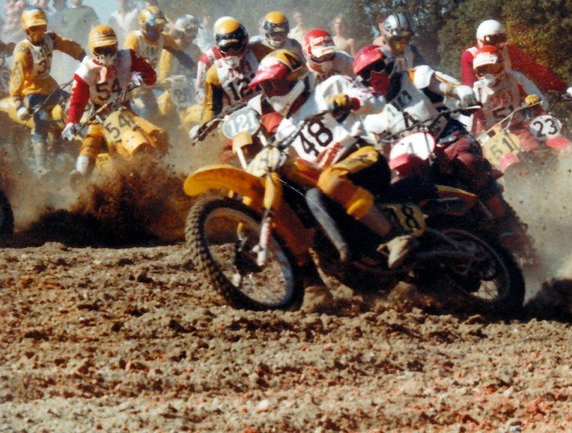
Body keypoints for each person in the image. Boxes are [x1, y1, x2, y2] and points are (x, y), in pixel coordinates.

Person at [245, 50, 417, 269]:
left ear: (292, 77)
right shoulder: (284, 130)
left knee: (330, 178)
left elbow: (377, 102)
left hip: (364, 158)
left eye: (272, 84)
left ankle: (394, 236)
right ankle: (329, 263)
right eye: (263, 87)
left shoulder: (331, 87)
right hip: (332, 184)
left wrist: (351, 101)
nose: (268, 93)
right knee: (307, 194)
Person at [355, 45, 525, 238]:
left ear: (389, 63)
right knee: (402, 196)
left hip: (447, 137)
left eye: (377, 67)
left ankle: (504, 221)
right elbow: (382, 151)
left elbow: (450, 87)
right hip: (415, 160)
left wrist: (464, 94)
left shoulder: (416, 77)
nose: (374, 75)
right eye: (365, 73)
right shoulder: (370, 117)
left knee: (467, 163)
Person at [61, 25, 158, 179]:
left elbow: (152, 75)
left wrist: (139, 75)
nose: (106, 53)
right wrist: (71, 122)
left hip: (125, 110)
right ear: (93, 49)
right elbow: (77, 101)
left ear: (116, 45)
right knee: (91, 143)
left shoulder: (128, 56)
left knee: (154, 134)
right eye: (101, 49)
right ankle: (80, 176)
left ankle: (157, 163)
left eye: (109, 47)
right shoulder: (85, 71)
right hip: (99, 115)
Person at [9, 6, 86, 173]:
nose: (38, 31)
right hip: (32, 92)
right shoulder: (23, 51)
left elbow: (67, 45)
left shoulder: (50, 38)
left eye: (41, 26)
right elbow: (17, 77)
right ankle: (41, 167)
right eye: (34, 28)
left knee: (75, 105)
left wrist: (83, 56)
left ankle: (74, 146)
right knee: (42, 120)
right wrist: (18, 103)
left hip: (51, 87)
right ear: (27, 29)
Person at [469, 45, 572, 170]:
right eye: (483, 70)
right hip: (492, 137)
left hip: (517, 127)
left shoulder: (514, 78)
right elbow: (472, 124)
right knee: (506, 163)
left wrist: (533, 100)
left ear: (501, 65)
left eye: (493, 68)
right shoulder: (476, 91)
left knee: (537, 150)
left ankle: (552, 176)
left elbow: (537, 96)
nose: (488, 75)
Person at [460, 19, 572, 100]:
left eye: (501, 39)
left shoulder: (510, 50)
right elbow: (469, 83)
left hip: (514, 101)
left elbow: (534, 69)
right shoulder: (470, 55)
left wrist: (563, 87)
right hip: (486, 104)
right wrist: (469, 98)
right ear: (481, 40)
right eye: (493, 41)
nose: (498, 45)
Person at [196, 17, 273, 125]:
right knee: (230, 142)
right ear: (218, 47)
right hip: (239, 118)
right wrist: (205, 124)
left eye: (235, 46)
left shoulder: (260, 52)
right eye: (226, 48)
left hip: (269, 107)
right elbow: (212, 107)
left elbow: (282, 69)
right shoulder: (213, 73)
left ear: (245, 41)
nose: (231, 53)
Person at [124, 5, 181, 120]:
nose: (159, 31)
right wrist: (135, 76)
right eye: (155, 27)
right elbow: (126, 63)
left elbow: (181, 55)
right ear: (145, 26)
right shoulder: (134, 38)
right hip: (132, 85)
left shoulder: (163, 38)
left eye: (161, 27)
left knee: (171, 104)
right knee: (149, 110)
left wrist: (194, 68)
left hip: (150, 83)